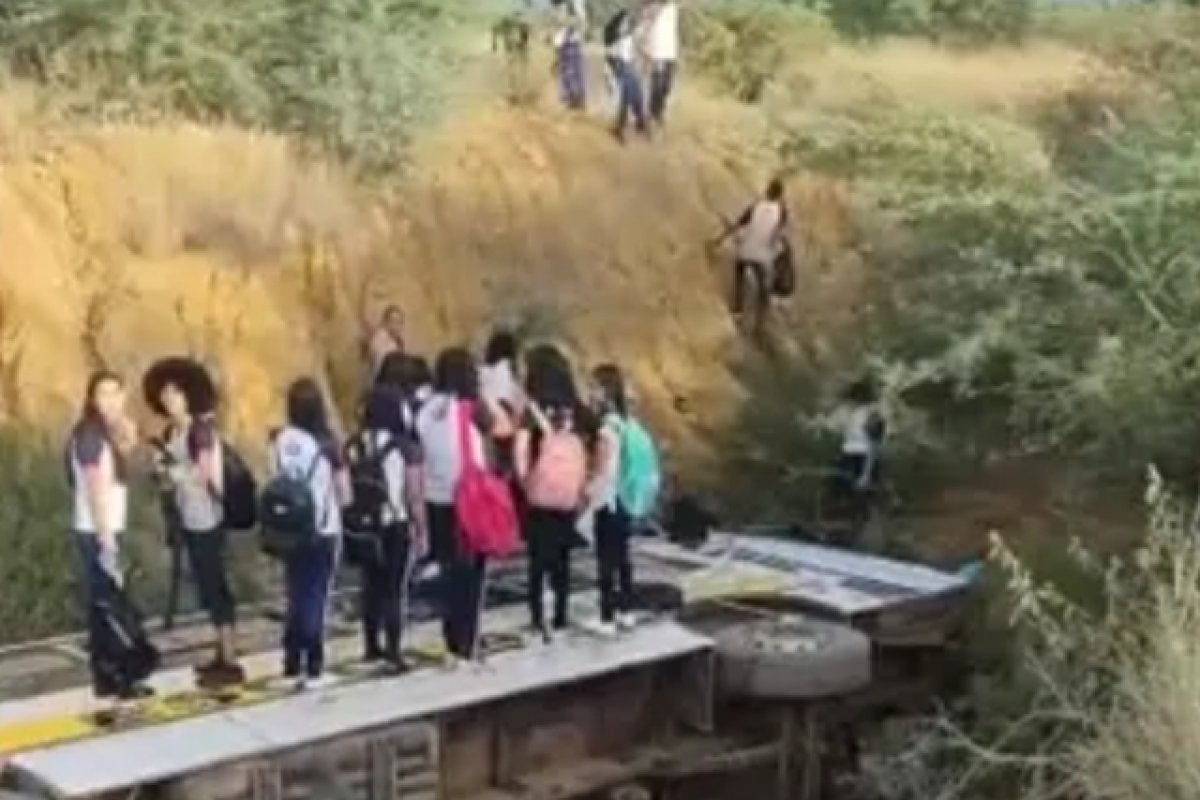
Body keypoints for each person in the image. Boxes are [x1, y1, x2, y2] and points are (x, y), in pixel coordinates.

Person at [143, 358, 243, 688]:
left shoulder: (200, 432)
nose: (170, 399)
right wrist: (163, 472)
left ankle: (229, 659)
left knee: (216, 588)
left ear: (190, 394)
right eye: (165, 394)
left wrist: (175, 473)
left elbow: (209, 478)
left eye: (176, 393)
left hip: (207, 520)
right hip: (187, 518)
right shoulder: (174, 432)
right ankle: (222, 653)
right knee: (207, 586)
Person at [67, 370, 154, 701]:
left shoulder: (101, 434)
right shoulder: (90, 435)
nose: (110, 400)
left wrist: (127, 440)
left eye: (116, 393)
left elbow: (115, 473)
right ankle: (121, 677)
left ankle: (107, 677)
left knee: (102, 608)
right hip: (97, 531)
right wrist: (107, 539)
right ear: (92, 398)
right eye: (103, 394)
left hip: (100, 528)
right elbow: (94, 488)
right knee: (112, 609)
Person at [415, 348, 496, 663]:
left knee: (448, 566)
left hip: (436, 499)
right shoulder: (472, 408)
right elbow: (496, 427)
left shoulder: (426, 408)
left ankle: (451, 634)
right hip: (469, 498)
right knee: (473, 572)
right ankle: (468, 638)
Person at [269, 378, 349, 690]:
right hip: (322, 529)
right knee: (316, 595)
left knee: (294, 593)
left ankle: (290, 663)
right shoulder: (327, 444)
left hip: (288, 530)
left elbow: (276, 477)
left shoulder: (278, 439)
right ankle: (313, 666)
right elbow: (345, 494)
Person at [345, 386, 427, 674]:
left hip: (365, 526)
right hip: (395, 523)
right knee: (395, 589)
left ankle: (370, 645)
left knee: (370, 586)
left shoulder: (354, 444)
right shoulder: (405, 448)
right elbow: (415, 497)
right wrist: (422, 531)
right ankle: (394, 649)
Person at [516, 345, 592, 642]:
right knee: (562, 557)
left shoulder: (533, 410)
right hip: (567, 495)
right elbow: (594, 440)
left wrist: (525, 481)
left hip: (538, 494)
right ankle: (561, 615)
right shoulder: (577, 408)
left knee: (537, 559)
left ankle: (537, 617)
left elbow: (520, 449)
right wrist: (583, 485)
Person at [583, 364, 638, 636]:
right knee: (623, 557)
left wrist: (586, 491)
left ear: (604, 391)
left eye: (593, 387)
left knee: (605, 559)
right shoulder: (627, 422)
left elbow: (602, 470)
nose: (589, 393)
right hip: (626, 499)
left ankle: (606, 618)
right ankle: (627, 612)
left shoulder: (606, 428)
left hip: (609, 501)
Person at [717, 178, 789, 334]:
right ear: (780, 195)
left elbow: (736, 225)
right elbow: (777, 236)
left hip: (744, 253)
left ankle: (738, 311)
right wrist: (773, 254)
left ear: (767, 190)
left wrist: (718, 240)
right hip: (761, 257)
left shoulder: (755, 206)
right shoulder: (781, 211)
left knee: (740, 275)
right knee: (764, 291)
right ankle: (760, 326)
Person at [830, 378, 886, 538]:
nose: (847, 401)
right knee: (840, 498)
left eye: (850, 398)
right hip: (848, 458)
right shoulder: (850, 413)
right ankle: (843, 532)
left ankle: (859, 532)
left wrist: (866, 475)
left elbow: (874, 447)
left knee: (860, 500)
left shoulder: (873, 416)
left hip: (863, 460)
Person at [481, 329, 524, 476]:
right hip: (505, 422)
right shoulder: (507, 368)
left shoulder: (483, 370)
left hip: (486, 420)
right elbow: (507, 398)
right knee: (506, 467)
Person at [605, 4, 648, 143]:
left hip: (626, 64)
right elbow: (611, 53)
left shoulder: (628, 32)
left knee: (635, 94)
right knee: (628, 95)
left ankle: (638, 124)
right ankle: (621, 127)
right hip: (620, 64)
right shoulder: (619, 33)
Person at [642, 0, 679, 128]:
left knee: (667, 85)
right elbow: (645, 24)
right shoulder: (652, 6)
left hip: (670, 51)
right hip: (657, 51)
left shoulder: (672, 6)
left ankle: (658, 111)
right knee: (658, 83)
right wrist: (646, 48)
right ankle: (653, 114)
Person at [363, 306, 406, 384]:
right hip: (382, 385)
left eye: (399, 322)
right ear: (385, 322)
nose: (396, 325)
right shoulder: (379, 339)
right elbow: (384, 367)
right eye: (393, 321)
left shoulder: (397, 341)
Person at [553, 20, 587, 111]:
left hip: (573, 59)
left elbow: (560, 50)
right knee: (569, 78)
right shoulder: (561, 35)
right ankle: (573, 99)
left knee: (574, 78)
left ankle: (578, 99)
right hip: (568, 59)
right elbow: (558, 50)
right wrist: (558, 61)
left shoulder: (573, 35)